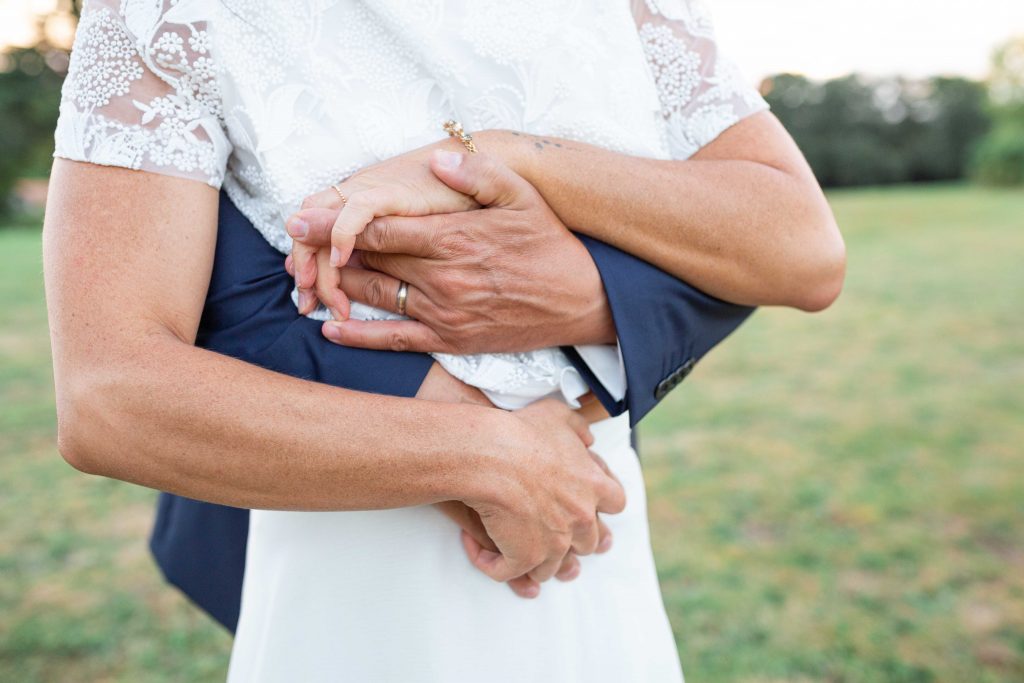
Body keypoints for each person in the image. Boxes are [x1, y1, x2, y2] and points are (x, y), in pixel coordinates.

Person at [44, 1, 844, 681]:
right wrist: (488, 454)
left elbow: (803, 249)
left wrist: (497, 159)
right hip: (357, 531)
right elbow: (108, 394)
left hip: (587, 524)